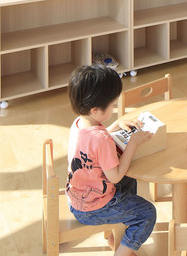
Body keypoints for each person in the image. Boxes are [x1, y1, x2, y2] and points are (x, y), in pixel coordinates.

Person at [66, 64, 157, 256]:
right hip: (94, 208)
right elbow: (114, 177)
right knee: (147, 213)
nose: (114, 109)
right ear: (95, 110)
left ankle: (117, 234)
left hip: (77, 198)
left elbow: (92, 144)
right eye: (112, 106)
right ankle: (122, 252)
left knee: (129, 178)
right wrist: (133, 143)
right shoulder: (102, 140)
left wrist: (116, 124)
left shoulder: (78, 124)